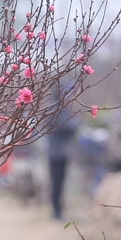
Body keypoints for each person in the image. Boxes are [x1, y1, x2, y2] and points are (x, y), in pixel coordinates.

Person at [44, 84, 78, 220]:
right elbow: (67, 126)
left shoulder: (60, 110)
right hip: (56, 154)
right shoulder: (56, 110)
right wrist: (77, 124)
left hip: (61, 153)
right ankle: (56, 211)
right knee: (57, 183)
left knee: (60, 183)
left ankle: (58, 209)